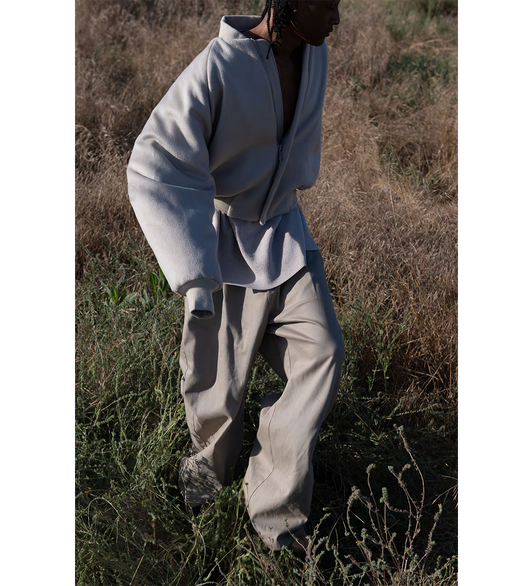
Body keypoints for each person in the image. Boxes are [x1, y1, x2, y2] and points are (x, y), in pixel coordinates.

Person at [127, 0, 344, 553]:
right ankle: (203, 496)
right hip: (225, 244)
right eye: (329, 5)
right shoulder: (217, 67)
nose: (337, 19)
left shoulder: (312, 54)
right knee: (217, 392)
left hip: (287, 236)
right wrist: (194, 274)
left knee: (322, 353)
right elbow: (155, 161)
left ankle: (277, 521)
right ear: (290, 5)